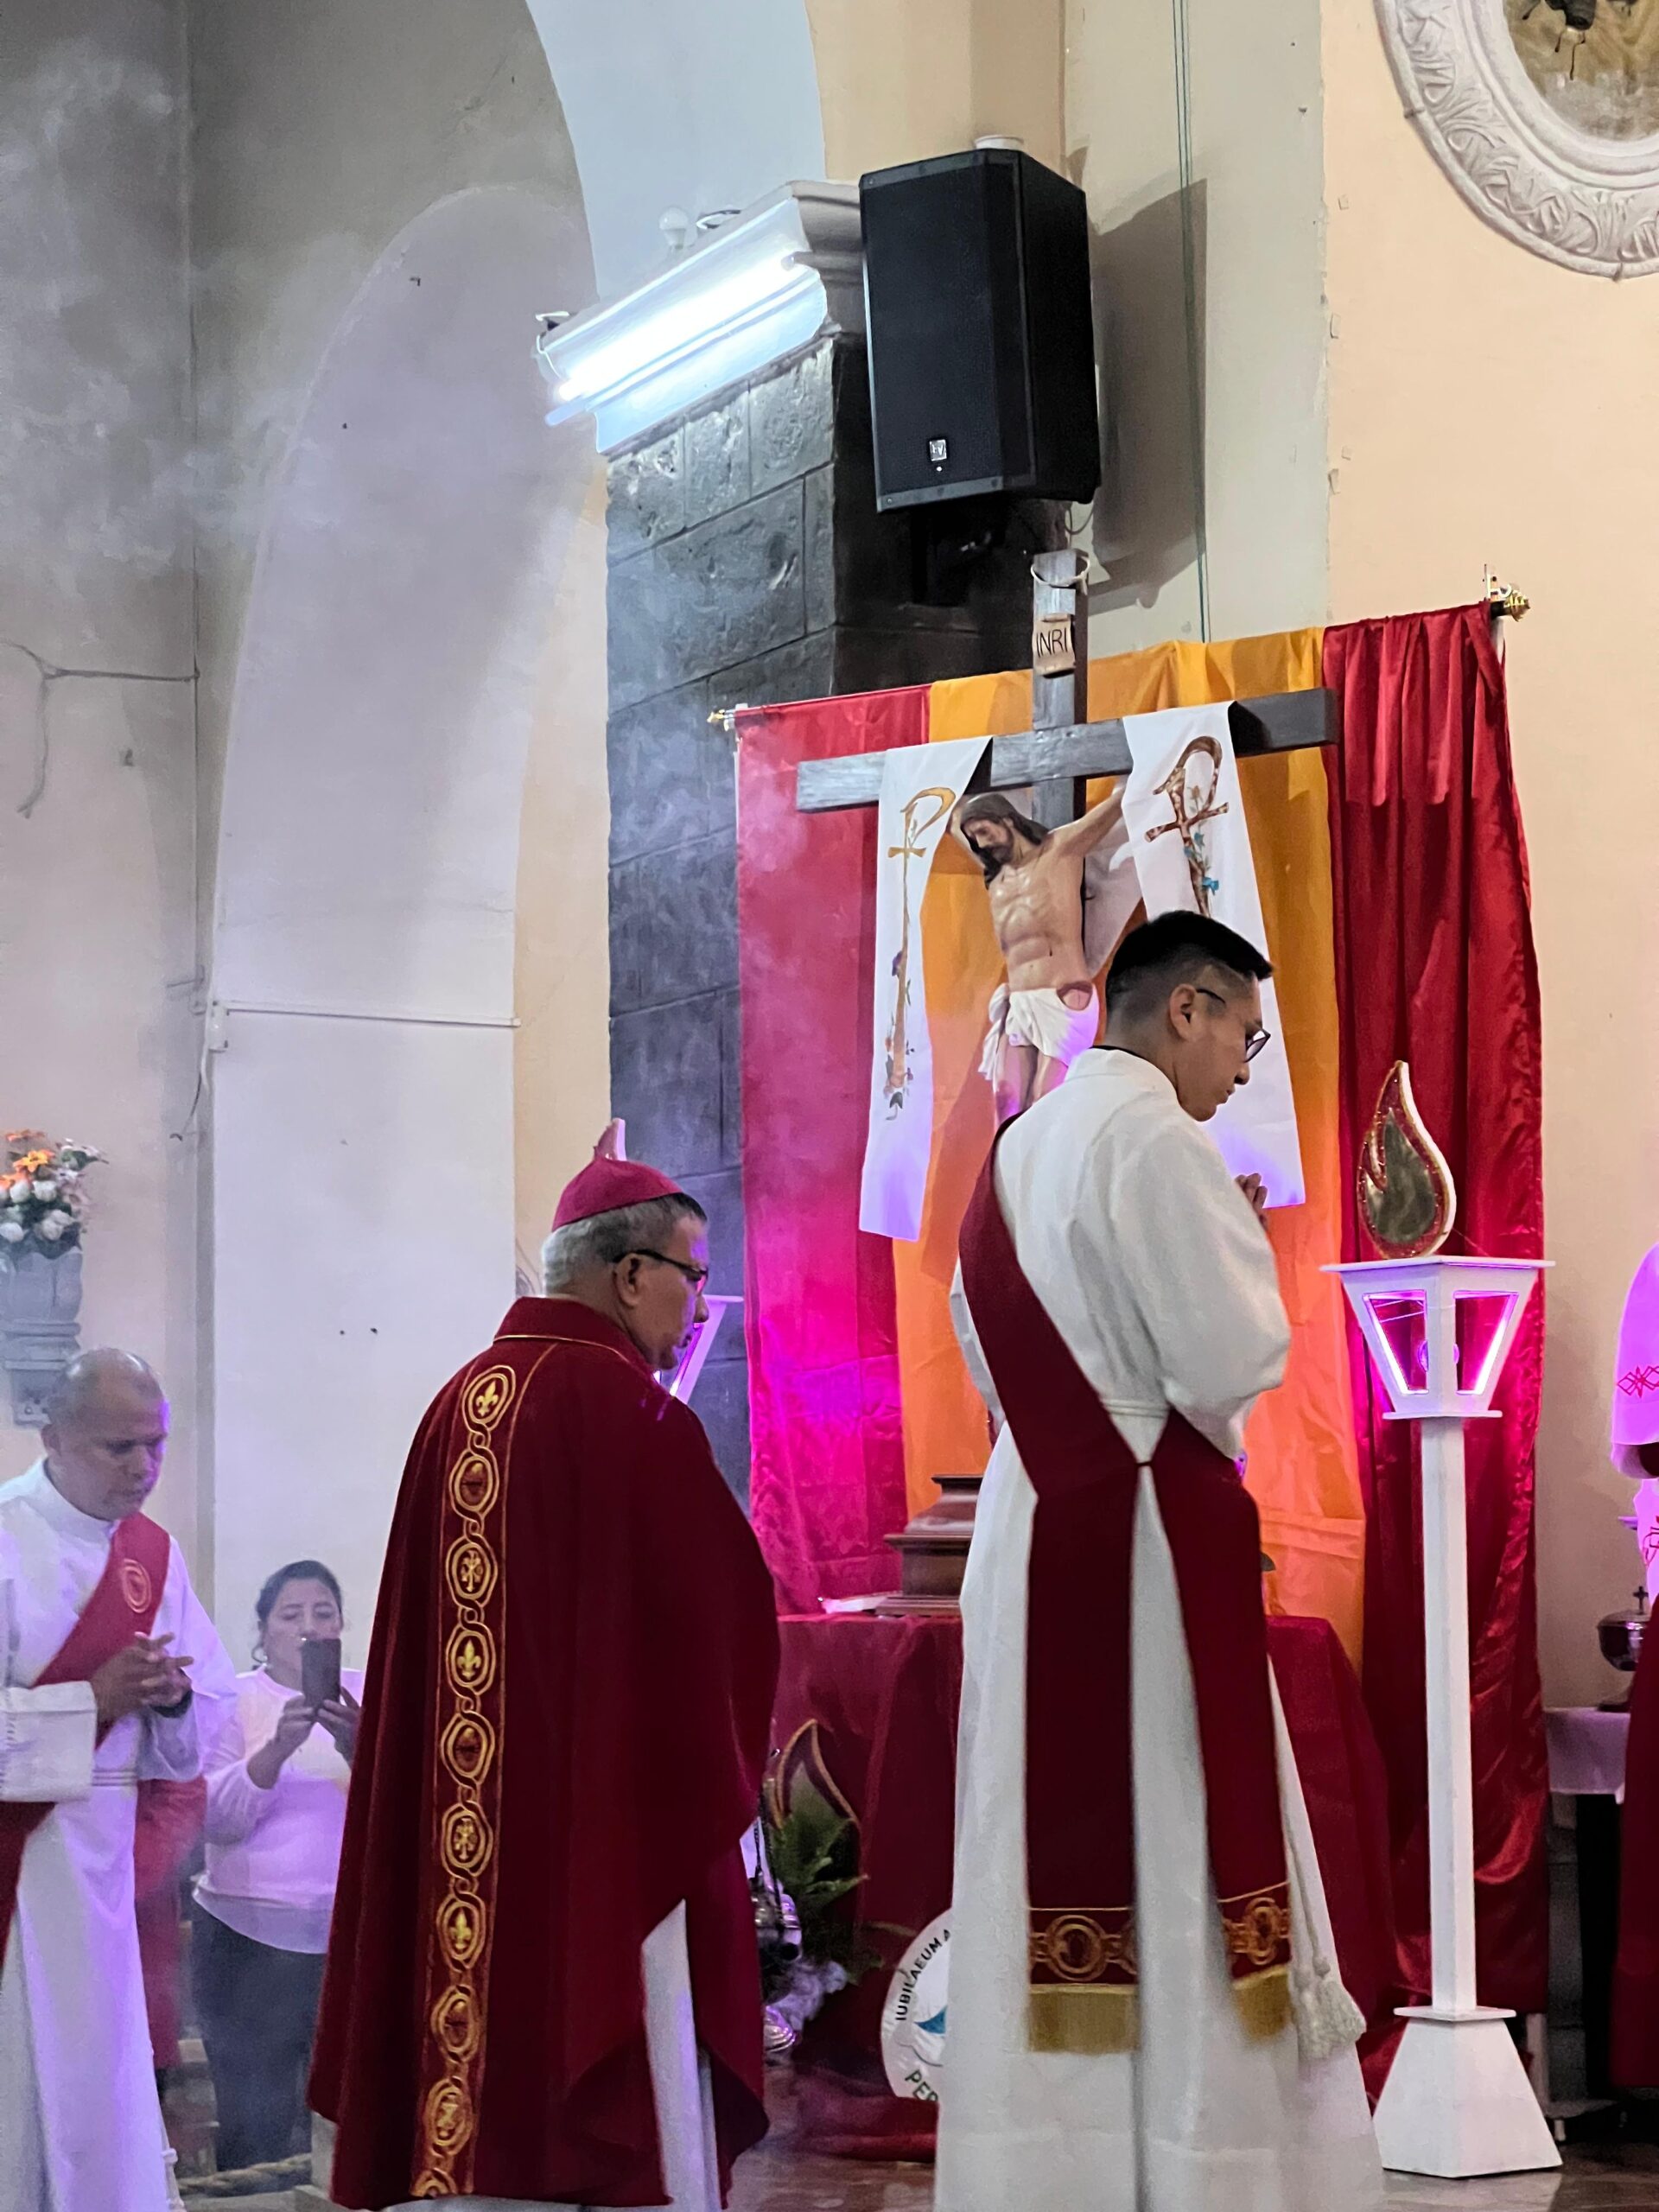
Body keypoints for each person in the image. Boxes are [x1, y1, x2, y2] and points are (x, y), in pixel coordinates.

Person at [938, 913, 1381, 2212]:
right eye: (1242, 1032)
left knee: (1046, 1837)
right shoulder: (1162, 1141)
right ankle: (1207, 2170)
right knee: (1179, 1835)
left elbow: (989, 1340)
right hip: (1138, 1545)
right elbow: (1225, 1358)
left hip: (1036, 1526)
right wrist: (1227, 1243)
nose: (1244, 1066)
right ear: (1183, 1008)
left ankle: (1049, 2173)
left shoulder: (1016, 1151)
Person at [311, 1134, 779, 2211]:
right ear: (628, 1275)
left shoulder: (454, 1405)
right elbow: (722, 1639)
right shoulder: (635, 1419)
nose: (695, 1309)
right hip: (600, 1861)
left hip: (456, 1854)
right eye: (692, 1278)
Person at [0, 1348, 236, 2212]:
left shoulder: (152, 1555)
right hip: (19, 1882)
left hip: (100, 1890)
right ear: (53, 1435)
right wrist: (87, 1702)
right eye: (119, 1447)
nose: (144, 1468)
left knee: (103, 2096)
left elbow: (208, 1710)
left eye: (157, 1444)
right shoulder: (4, 1537)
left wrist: (170, 1702)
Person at [193, 1559, 362, 2171]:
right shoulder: (233, 1700)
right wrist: (278, 1749)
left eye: (324, 1613)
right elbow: (213, 1820)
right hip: (245, 1940)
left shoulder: (373, 1692)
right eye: (290, 1616)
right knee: (255, 2119)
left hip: (350, 1939)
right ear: (262, 1632)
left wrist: (362, 1748)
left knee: (349, 2117)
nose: (309, 1628)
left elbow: (417, 1814)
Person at [951, 787, 1131, 1120]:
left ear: (1006, 819)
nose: (982, 842)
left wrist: (1151, 766)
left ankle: (1049, 1171)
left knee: (1044, 1103)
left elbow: (1111, 810)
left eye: (984, 831)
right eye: (974, 837)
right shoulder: (996, 876)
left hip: (1063, 995)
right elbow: (949, 816)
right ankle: (1007, 1173)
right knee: (1006, 1100)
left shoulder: (1060, 849)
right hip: (1020, 1003)